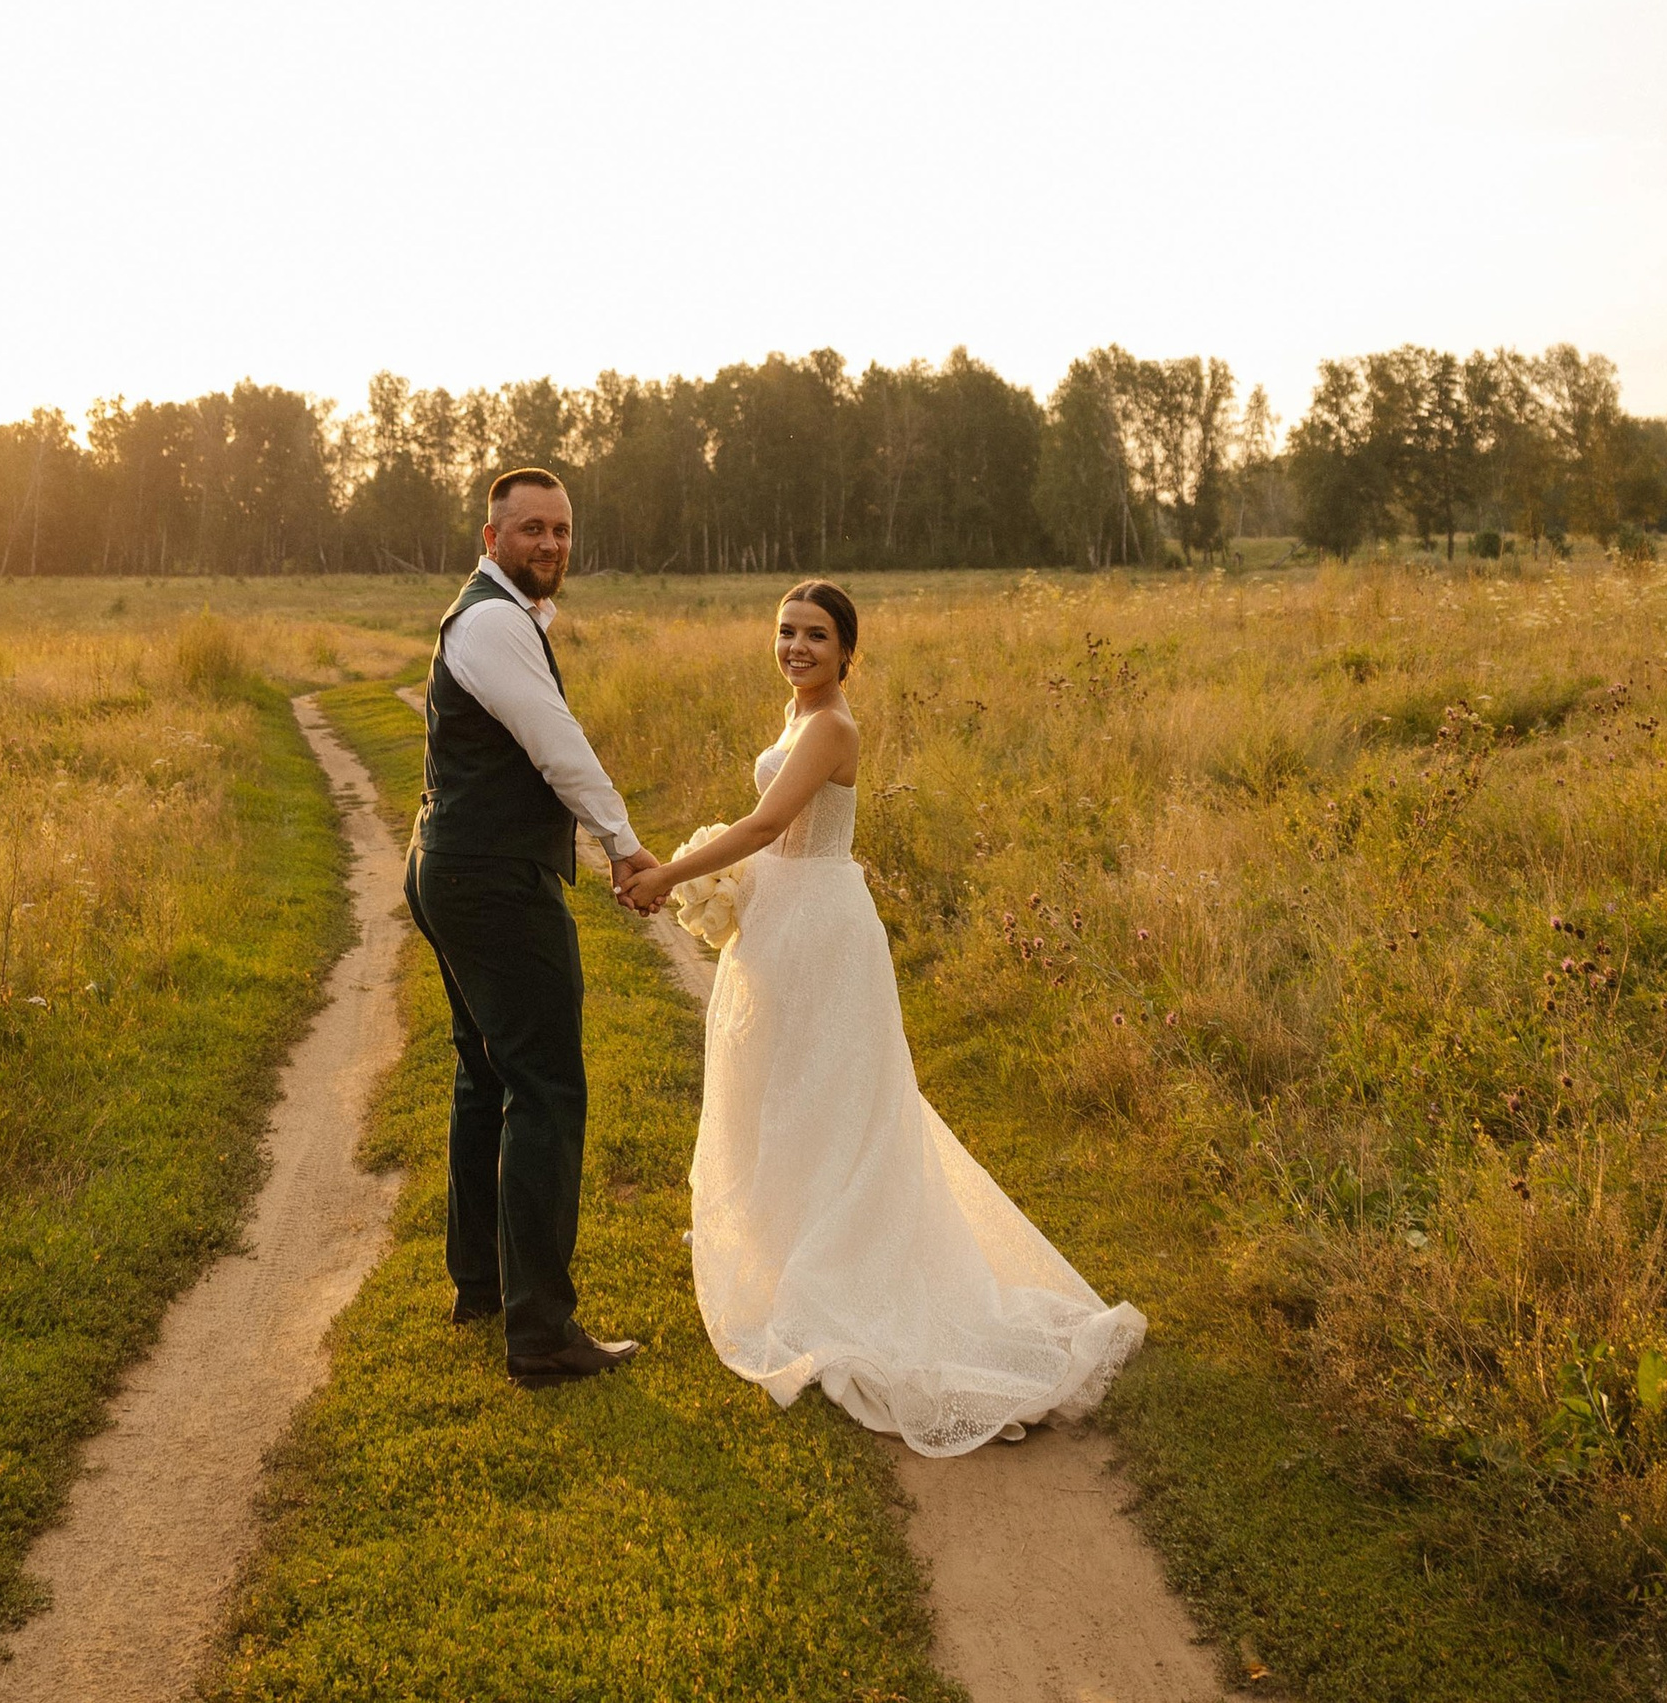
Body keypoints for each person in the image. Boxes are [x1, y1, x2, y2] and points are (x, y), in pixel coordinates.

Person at [620, 582, 1146, 1454]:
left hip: (822, 928)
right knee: (781, 1089)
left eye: (816, 635)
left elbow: (766, 824)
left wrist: (669, 875)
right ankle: (790, 1240)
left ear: (847, 651)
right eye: (786, 631)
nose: (796, 646)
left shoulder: (832, 726)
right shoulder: (798, 713)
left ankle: (846, 1267)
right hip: (782, 919)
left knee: (833, 1098)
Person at [404, 466, 656, 1387]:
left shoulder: (497, 616)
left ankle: (482, 1284)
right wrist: (623, 844)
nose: (550, 543)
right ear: (491, 538)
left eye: (561, 529)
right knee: (546, 1089)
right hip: (491, 881)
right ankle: (542, 1333)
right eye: (531, 528)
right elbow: (558, 746)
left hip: (455, 864)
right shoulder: (494, 622)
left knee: (487, 1076)